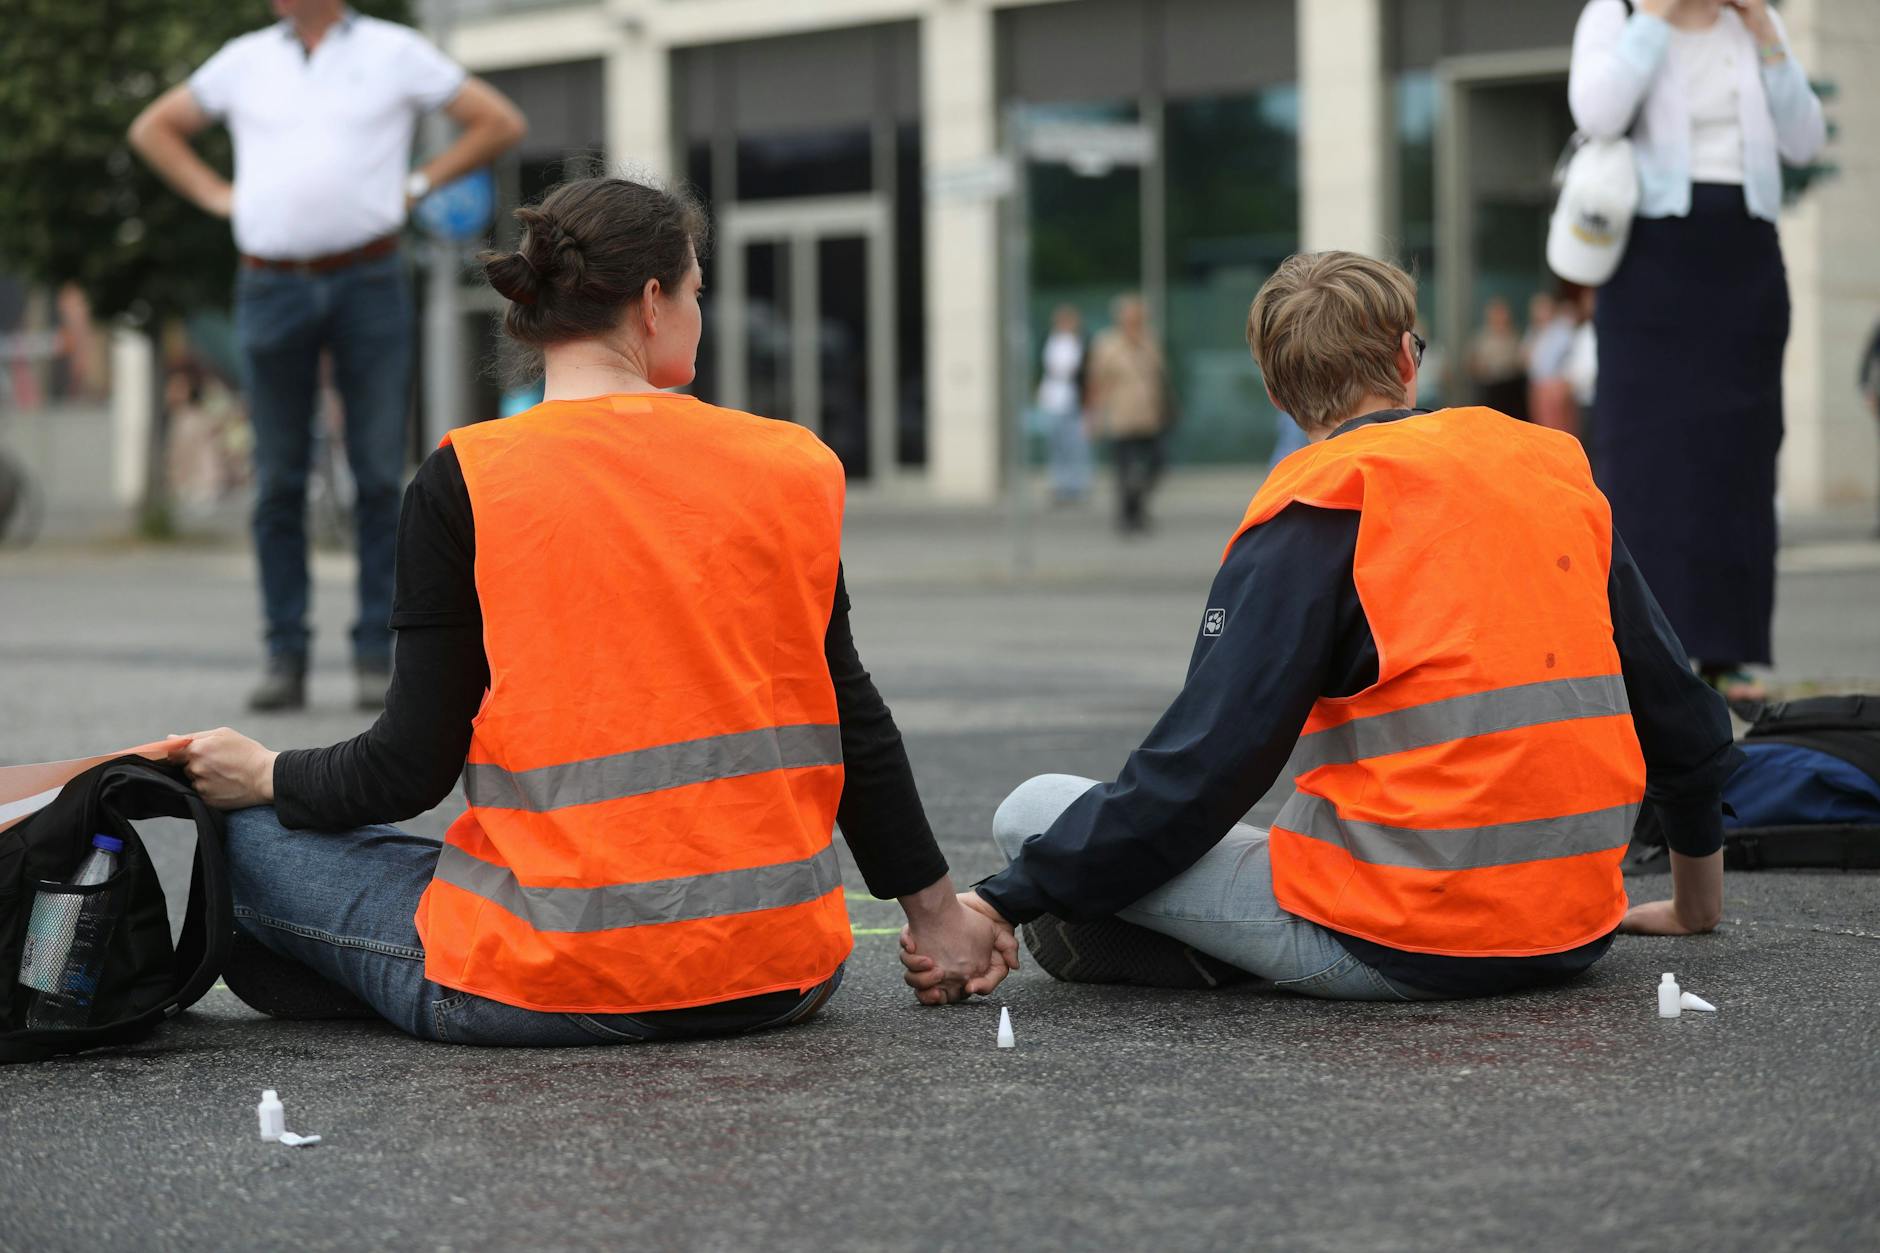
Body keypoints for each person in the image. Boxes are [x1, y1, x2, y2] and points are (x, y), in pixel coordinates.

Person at [167, 176, 1015, 1046]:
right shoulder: (791, 465)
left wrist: (264, 772)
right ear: (652, 303)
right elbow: (851, 712)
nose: (696, 311)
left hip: (556, 975)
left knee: (255, 844)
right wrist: (940, 917)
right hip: (778, 973)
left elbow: (406, 770)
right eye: (697, 292)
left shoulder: (469, 479)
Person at [918, 252, 1733, 1006]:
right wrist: (1695, 906)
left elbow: (1203, 770)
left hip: (1403, 940)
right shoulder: (1551, 469)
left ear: (1275, 393)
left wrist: (998, 897)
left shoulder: (1321, 504)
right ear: (1410, 361)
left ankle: (1191, 949)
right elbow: (1681, 713)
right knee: (1151, 843)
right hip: (1573, 929)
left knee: (1033, 811)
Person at [128, 0, 528, 713]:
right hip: (270, 282)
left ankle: (377, 653)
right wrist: (220, 196)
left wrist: (416, 184)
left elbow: (499, 119)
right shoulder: (245, 58)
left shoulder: (393, 49)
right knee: (278, 479)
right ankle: (286, 654)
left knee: (378, 475)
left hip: (366, 278)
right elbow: (153, 128)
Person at [1570, 0, 1826, 700]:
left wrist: (1769, 33)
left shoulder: (1751, 22)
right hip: (1652, 260)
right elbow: (1597, 113)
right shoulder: (1618, 12)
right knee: (1649, 457)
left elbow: (1805, 139)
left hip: (1745, 257)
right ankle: (1651, 652)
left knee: (1740, 453)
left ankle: (1729, 651)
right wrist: (1653, 19)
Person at [1087, 294, 1169, 534]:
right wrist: (1093, 415)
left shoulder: (1149, 341)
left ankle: (1136, 505)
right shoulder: (1107, 345)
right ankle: (1128, 516)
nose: (1135, 321)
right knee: (1125, 470)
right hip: (1121, 417)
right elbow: (1096, 381)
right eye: (1130, 317)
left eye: (1138, 317)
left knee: (1157, 463)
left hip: (1149, 417)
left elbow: (1158, 377)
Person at [1037, 305, 1092, 504]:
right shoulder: (1051, 341)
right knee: (1056, 445)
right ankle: (1060, 484)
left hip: (1073, 400)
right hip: (1054, 401)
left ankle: (1077, 484)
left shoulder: (1081, 342)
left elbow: (1080, 373)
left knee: (1076, 445)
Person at [1527, 283, 1587, 440]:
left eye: (1542, 308)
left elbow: (1571, 357)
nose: (1539, 313)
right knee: (1541, 428)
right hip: (1538, 385)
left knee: (1559, 430)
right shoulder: (1535, 332)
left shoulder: (1562, 330)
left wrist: (1562, 383)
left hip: (1555, 386)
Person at [1466, 296, 1526, 420]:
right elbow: (1471, 363)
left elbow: (1521, 362)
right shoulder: (1481, 337)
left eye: (1502, 313)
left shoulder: (1515, 336)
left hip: (1511, 392)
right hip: (1488, 391)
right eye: (1496, 314)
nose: (1499, 317)